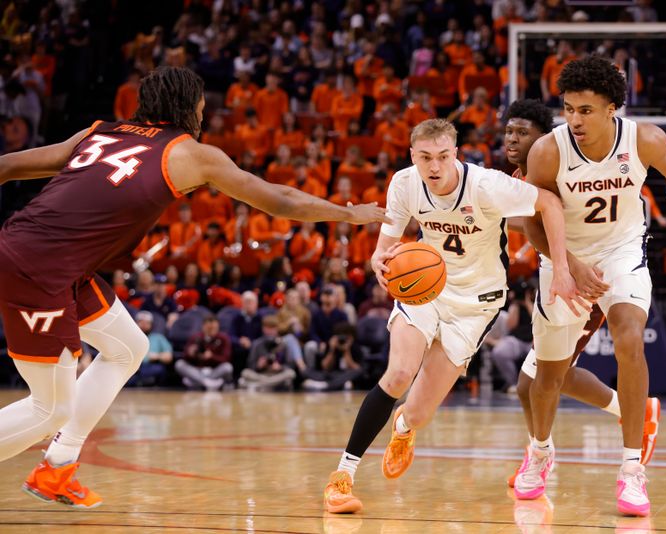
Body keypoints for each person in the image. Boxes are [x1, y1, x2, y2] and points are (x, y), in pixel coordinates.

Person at [0, 66, 387, 509]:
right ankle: (54, 459)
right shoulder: (189, 153)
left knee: (128, 348)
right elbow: (278, 200)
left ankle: (58, 466)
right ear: (187, 106)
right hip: (39, 268)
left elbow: (7, 165)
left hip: (57, 261)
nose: (205, 112)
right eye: (201, 103)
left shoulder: (98, 132)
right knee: (50, 408)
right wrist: (347, 213)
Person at [322, 118, 580, 514]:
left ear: (455, 154)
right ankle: (342, 477)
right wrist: (378, 258)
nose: (434, 166)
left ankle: (405, 429)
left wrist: (562, 268)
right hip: (426, 288)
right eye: (425, 157)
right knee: (397, 375)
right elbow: (386, 241)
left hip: (477, 303)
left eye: (443, 156)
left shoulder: (487, 185)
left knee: (419, 412)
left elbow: (548, 203)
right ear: (413, 157)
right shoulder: (405, 183)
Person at [520, 56, 666, 517]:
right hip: (562, 257)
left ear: (613, 107)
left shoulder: (645, 140)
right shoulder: (548, 151)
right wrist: (569, 265)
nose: (574, 119)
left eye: (586, 110)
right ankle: (539, 452)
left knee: (630, 339)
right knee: (547, 375)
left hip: (622, 252)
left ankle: (632, 469)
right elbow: (530, 221)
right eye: (569, 108)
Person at [501, 99, 661, 493]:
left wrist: (500, 216)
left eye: (522, 133)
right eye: (509, 131)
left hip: (587, 278)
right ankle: (622, 415)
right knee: (534, 383)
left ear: (543, 139)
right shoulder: (520, 174)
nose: (512, 139)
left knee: (544, 378)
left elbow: (533, 224)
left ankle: (546, 450)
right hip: (559, 273)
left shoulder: (558, 159)